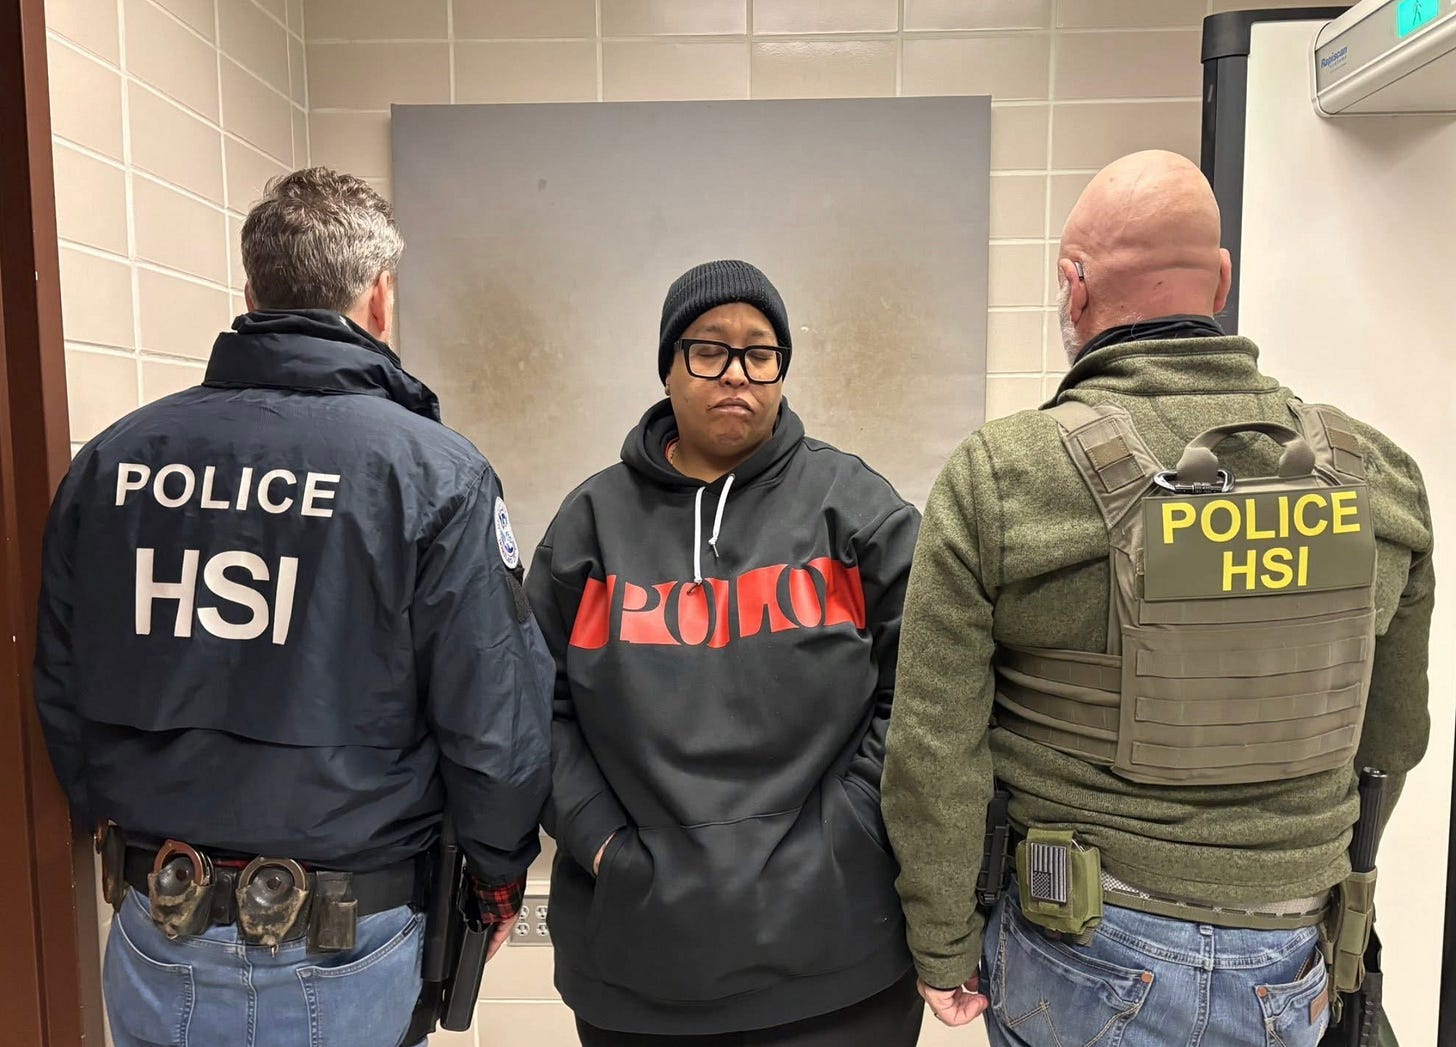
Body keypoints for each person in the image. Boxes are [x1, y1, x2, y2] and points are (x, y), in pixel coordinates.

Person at [882, 150, 1434, 1047]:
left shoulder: (1005, 477)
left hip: (1079, 946)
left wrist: (942, 942)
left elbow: (935, 747)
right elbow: (1393, 736)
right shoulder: (1380, 478)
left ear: (1074, 289)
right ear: (1220, 280)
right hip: (1293, 955)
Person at [33, 167, 553, 1047]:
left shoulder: (115, 461)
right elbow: (492, 713)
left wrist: (113, 818)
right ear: (379, 297)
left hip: (155, 927)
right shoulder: (432, 474)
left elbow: (61, 679)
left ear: (252, 295)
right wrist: (498, 873)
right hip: (341, 940)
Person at [527, 260, 924, 1044]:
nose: (737, 372)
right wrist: (603, 841)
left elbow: (927, 690)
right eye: (709, 349)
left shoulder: (855, 510)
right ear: (669, 368)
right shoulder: (591, 524)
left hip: (840, 964)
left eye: (759, 352)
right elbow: (534, 706)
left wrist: (848, 832)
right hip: (638, 969)